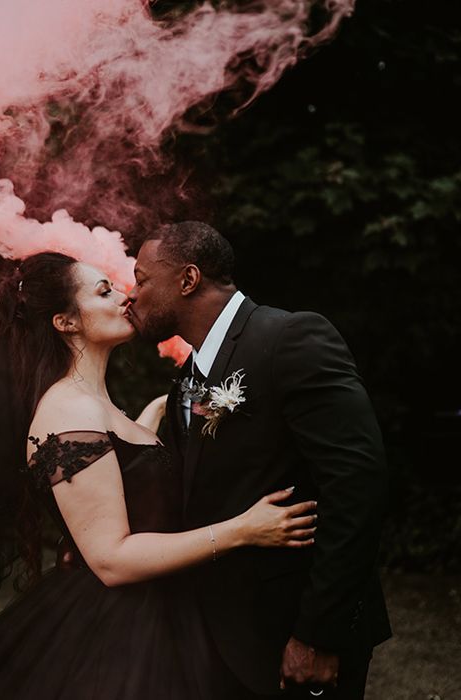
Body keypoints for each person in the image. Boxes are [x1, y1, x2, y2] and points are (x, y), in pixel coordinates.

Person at [0, 251, 317, 699]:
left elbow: (124, 478)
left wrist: (162, 411)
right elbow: (111, 559)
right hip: (123, 627)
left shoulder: (98, 407)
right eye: (104, 291)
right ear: (65, 323)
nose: (125, 297)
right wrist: (242, 531)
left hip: (170, 605)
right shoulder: (68, 410)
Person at [126, 222, 392, 699]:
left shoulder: (291, 337)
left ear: (187, 280)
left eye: (141, 279)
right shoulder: (186, 379)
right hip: (214, 634)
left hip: (292, 629)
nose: (132, 294)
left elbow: (357, 486)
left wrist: (318, 634)